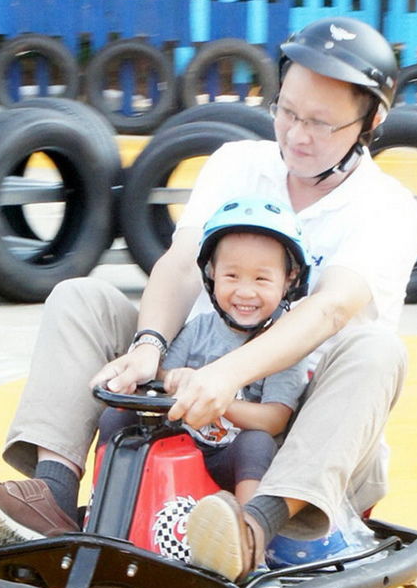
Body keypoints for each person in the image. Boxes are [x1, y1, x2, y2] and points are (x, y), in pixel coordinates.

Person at [0, 16, 417, 585]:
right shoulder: (238, 164)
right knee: (82, 296)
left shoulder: (387, 208)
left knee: (376, 348)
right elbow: (183, 263)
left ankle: (251, 529)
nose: (297, 135)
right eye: (287, 112)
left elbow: (329, 309)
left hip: (298, 433)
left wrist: (226, 377)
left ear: (371, 121)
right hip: (187, 398)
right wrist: (148, 346)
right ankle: (52, 496)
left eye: (321, 123)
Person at [96, 197, 312, 507]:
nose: (245, 291)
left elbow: (273, 420)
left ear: (289, 279)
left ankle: (247, 533)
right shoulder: (200, 328)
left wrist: (216, 399)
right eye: (231, 276)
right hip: (178, 443)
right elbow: (161, 377)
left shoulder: (284, 343)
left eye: (262, 279)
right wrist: (175, 378)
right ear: (211, 274)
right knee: (116, 418)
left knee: (257, 443)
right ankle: (104, 509)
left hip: (230, 456)